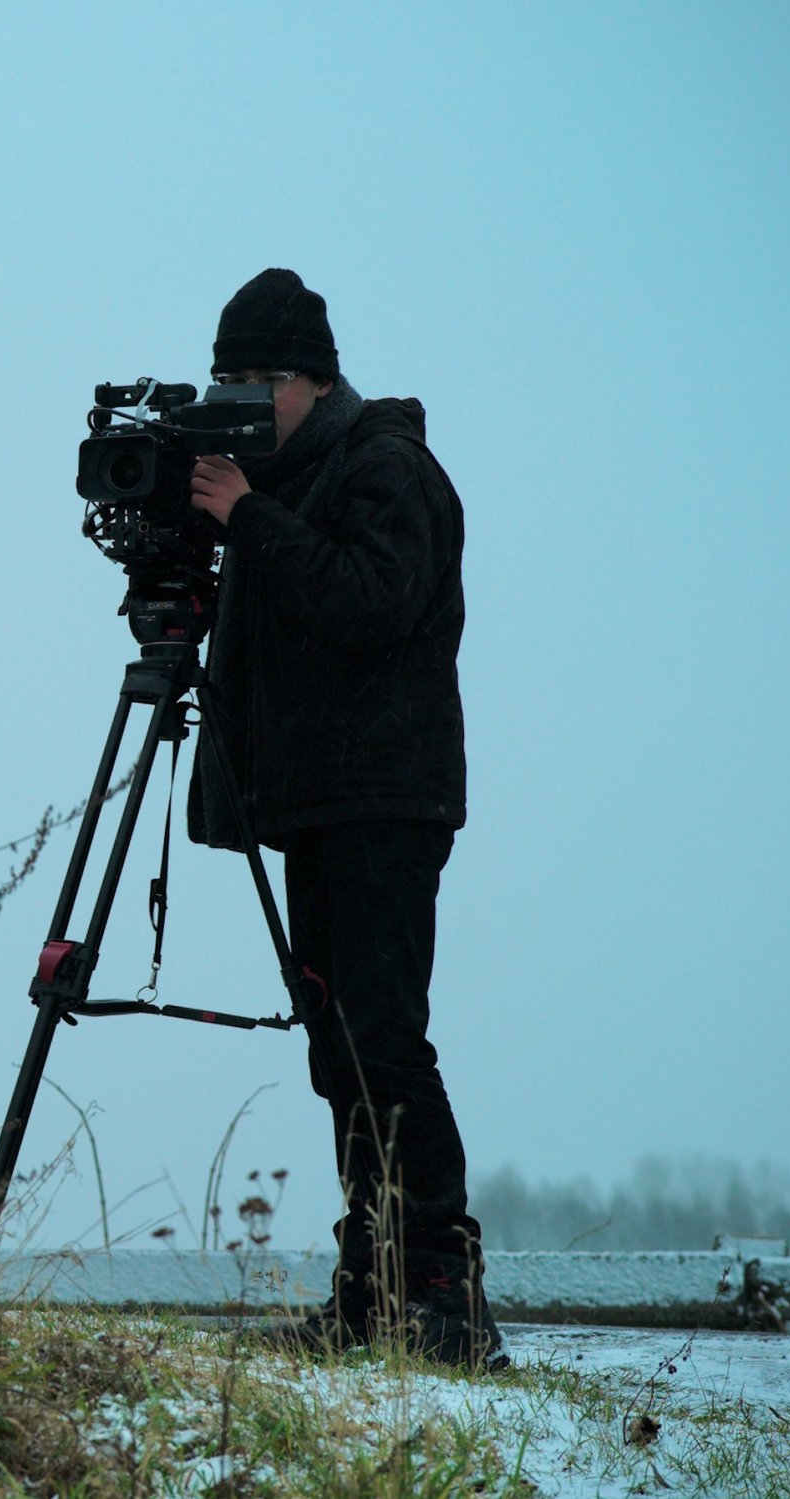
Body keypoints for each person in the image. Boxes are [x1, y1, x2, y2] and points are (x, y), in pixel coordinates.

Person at [185, 267, 504, 1367]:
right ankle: (369, 1293)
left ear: (310, 380)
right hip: (321, 801)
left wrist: (251, 519)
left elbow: (370, 603)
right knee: (339, 1051)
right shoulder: (286, 482)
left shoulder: (384, 468)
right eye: (219, 375)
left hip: (384, 797)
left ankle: (443, 1299)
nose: (233, 398)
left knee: (382, 1043)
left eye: (251, 379)